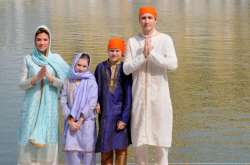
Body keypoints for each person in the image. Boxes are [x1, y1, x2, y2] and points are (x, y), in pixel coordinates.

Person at [123, 6, 178, 165]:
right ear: (139, 20)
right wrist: (142, 57)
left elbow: (173, 64)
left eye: (149, 18)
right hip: (139, 98)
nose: (146, 21)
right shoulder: (133, 41)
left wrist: (152, 55)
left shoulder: (165, 39)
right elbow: (126, 69)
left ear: (155, 19)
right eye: (143, 18)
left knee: (161, 144)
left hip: (159, 98)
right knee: (139, 144)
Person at [18, 25, 70, 165]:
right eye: (38, 39)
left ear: (49, 40)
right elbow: (21, 85)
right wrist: (36, 78)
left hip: (50, 109)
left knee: (48, 140)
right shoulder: (28, 59)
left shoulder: (56, 59)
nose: (42, 43)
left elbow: (67, 83)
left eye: (45, 39)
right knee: (28, 140)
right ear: (34, 41)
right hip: (31, 108)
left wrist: (51, 79)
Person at [95, 38, 132, 165]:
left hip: (120, 116)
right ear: (107, 51)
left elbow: (129, 96)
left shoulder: (125, 69)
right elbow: (95, 88)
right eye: (111, 50)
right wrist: (95, 102)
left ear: (122, 53)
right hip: (105, 115)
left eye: (117, 51)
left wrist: (124, 119)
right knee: (105, 150)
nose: (114, 53)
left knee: (121, 150)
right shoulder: (100, 67)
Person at [60, 52, 98, 165]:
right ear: (74, 64)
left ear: (88, 66)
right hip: (71, 124)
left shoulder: (91, 81)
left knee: (88, 157)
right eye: (78, 65)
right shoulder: (68, 80)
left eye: (84, 66)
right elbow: (63, 100)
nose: (81, 68)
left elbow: (92, 102)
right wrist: (70, 120)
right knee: (72, 157)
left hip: (86, 124)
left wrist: (80, 121)